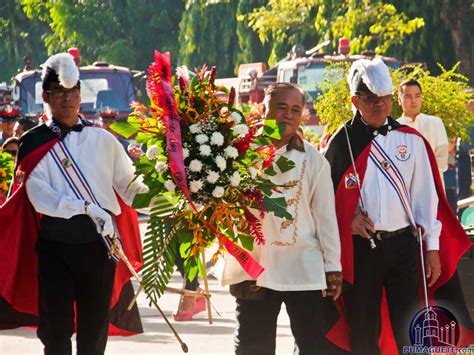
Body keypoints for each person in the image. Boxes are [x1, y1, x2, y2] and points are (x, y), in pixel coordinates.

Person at [323, 58, 473, 354]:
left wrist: (432, 249)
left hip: (405, 246)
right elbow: (324, 198)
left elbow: (426, 199)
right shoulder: (342, 143)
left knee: (411, 328)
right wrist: (348, 220)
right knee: (363, 329)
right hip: (362, 249)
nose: (379, 105)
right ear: (356, 100)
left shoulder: (412, 140)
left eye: (384, 98)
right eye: (370, 99)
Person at [0, 53, 146, 355]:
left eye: (73, 91)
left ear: (81, 94)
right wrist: (85, 207)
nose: (67, 99)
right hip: (55, 245)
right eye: (59, 92)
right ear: (46, 96)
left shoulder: (103, 140)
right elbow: (40, 197)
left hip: (99, 248)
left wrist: (170, 196)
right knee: (55, 333)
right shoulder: (32, 142)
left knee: (93, 333)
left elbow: (130, 188)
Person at [221, 83, 342, 355]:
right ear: (264, 109)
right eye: (281, 107)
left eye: (295, 109)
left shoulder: (314, 161)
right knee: (253, 347)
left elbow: (325, 218)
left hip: (303, 267)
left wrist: (332, 267)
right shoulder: (236, 153)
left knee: (313, 346)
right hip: (254, 267)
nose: (288, 115)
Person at [397, 79, 449, 181]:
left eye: (417, 96)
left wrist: (427, 177)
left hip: (433, 182)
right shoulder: (394, 128)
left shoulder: (435, 122)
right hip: (405, 186)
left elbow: (442, 155)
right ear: (399, 100)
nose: (413, 101)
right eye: (408, 96)